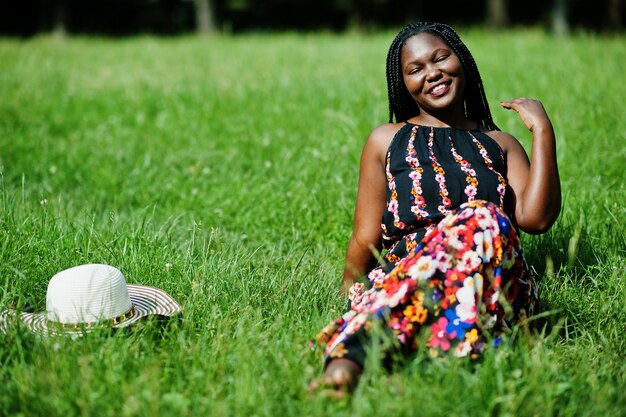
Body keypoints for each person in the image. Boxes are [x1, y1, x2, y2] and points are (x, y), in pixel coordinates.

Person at [309, 22, 560, 396]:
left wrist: (542, 130)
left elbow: (536, 218)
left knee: (484, 217)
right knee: (406, 281)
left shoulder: (500, 144)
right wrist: (350, 294)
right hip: (408, 270)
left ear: (462, 61)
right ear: (404, 83)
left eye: (441, 58)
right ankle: (352, 363)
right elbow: (366, 235)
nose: (433, 73)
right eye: (416, 69)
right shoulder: (386, 139)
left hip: (488, 281)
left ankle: (377, 353)